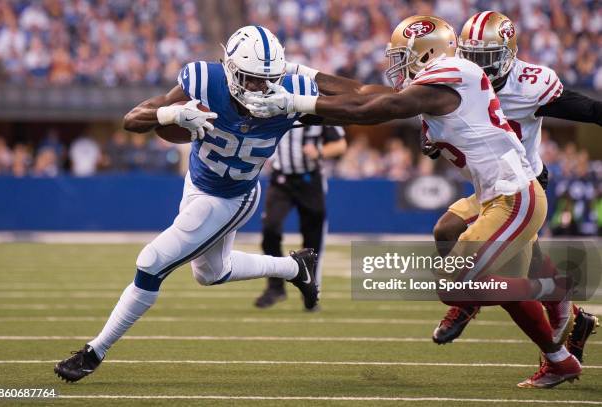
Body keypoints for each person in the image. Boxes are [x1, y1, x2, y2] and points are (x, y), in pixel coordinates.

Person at [245, 15, 582, 388]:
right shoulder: (437, 82)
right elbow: (360, 92)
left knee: (454, 286)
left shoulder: (451, 74)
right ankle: (555, 354)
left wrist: (296, 102)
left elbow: (369, 111)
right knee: (447, 229)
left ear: (428, 53)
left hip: (515, 194)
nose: (397, 65)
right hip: (494, 193)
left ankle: (552, 306)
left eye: (403, 56)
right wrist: (298, 71)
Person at [54, 25, 320, 383]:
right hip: (196, 182)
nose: (260, 88)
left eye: (267, 79)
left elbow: (359, 106)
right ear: (230, 69)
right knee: (210, 273)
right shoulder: (203, 79)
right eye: (251, 78)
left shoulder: (291, 91)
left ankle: (94, 351)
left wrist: (305, 98)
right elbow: (133, 119)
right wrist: (171, 115)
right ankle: (294, 268)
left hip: (232, 196)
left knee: (151, 262)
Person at [426, 11, 600, 360]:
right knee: (451, 234)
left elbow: (588, 110)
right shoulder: (456, 79)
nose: (479, 67)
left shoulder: (531, 84)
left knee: (506, 271)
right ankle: (573, 321)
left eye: (487, 59)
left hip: (523, 182)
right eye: (472, 57)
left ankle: (469, 302)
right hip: (490, 183)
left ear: (509, 54)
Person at [255, 124, 346, 308]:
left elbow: (340, 144)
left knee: (312, 238)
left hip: (310, 180)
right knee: (270, 229)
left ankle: (309, 290)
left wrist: (319, 151)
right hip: (281, 180)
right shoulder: (275, 104)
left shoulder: (319, 109)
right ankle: (276, 287)